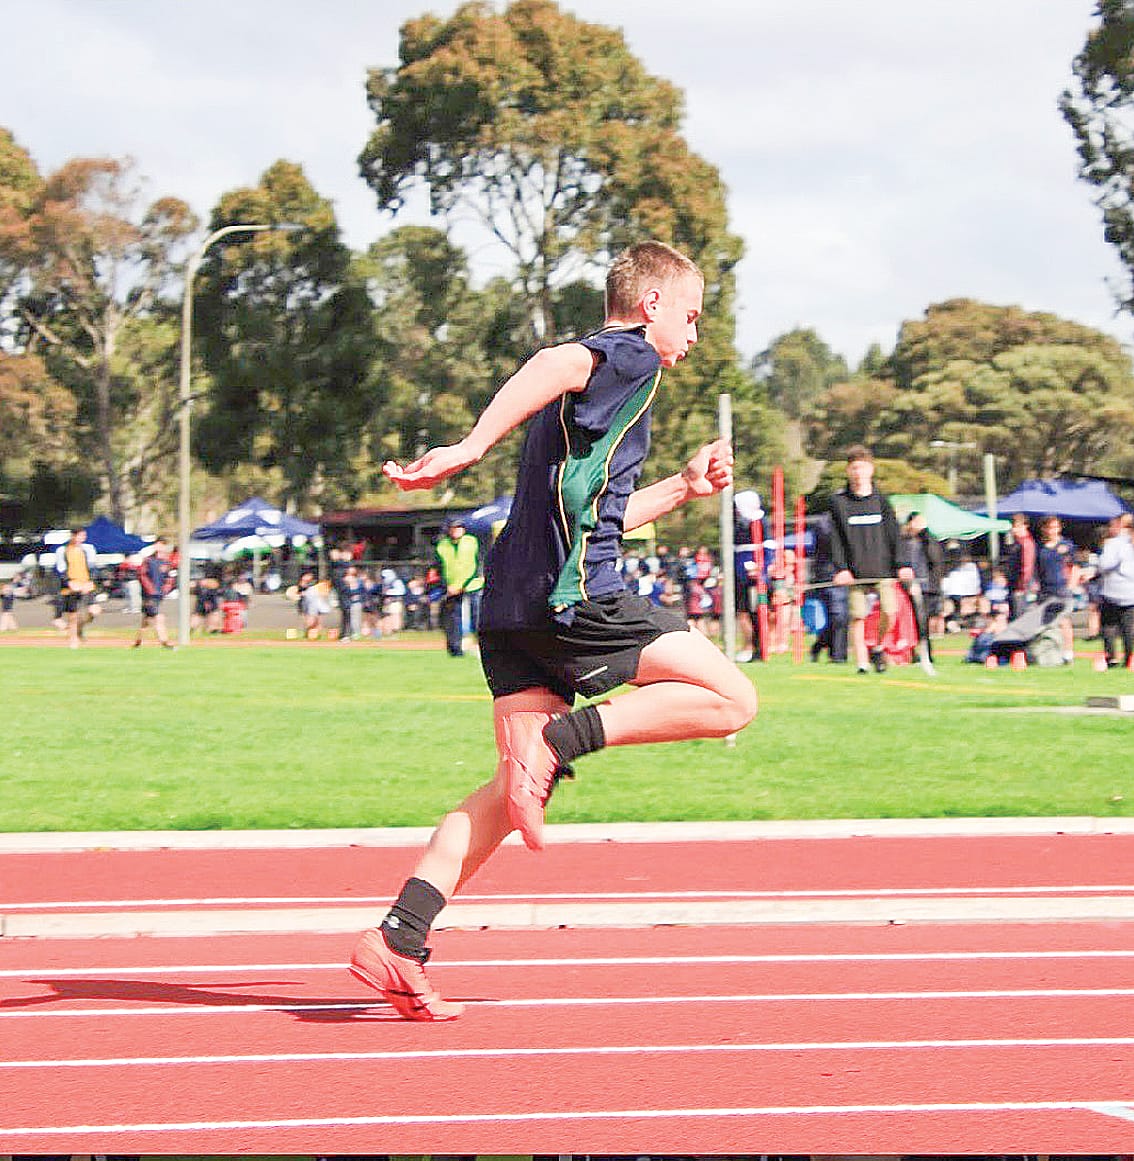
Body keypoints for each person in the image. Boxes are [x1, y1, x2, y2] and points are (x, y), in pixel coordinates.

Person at [349, 240, 757, 1021]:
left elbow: (598, 513)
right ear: (652, 306)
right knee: (733, 698)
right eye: (692, 316)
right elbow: (553, 360)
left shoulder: (599, 405)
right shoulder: (631, 355)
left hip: (510, 604)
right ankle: (562, 741)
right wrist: (469, 447)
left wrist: (682, 486)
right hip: (572, 599)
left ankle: (399, 935)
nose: (694, 335)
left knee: (511, 796)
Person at [827, 446, 912, 673]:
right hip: (854, 571)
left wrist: (903, 564)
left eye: (862, 467)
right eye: (854, 468)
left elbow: (894, 535)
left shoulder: (881, 501)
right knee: (858, 616)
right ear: (848, 470)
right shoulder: (838, 502)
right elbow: (835, 539)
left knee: (890, 611)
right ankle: (862, 663)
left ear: (871, 469)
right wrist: (841, 568)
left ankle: (878, 647)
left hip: (883, 569)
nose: (858, 473)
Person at [900, 511, 945, 676]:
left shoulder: (928, 541)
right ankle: (912, 652)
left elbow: (935, 558)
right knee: (912, 622)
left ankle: (926, 654)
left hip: (927, 587)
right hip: (910, 585)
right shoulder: (904, 542)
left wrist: (925, 533)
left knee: (923, 622)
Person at [1035, 513, 1079, 665]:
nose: (1052, 531)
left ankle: (1068, 653)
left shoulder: (1066, 546)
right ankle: (1049, 652)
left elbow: (1075, 567)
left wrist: (1071, 586)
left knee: (1064, 620)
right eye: (1049, 527)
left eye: (1055, 527)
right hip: (1045, 590)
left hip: (1061, 589)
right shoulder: (1039, 548)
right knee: (1045, 622)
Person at [435, 516, 481, 657]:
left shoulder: (471, 542)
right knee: (453, 619)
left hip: (471, 585)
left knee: (477, 617)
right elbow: (439, 567)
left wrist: (463, 585)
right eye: (454, 528)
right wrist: (446, 585)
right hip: (451, 587)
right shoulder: (442, 545)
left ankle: (483, 646)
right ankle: (455, 649)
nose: (457, 530)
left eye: (459, 527)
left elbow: (476, 565)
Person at [1097, 512, 1134, 668]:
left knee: (1109, 627)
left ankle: (1112, 657)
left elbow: (1104, 565)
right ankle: (1128, 659)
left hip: (1115, 591)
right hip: (1127, 592)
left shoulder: (1114, 544)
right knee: (1127, 628)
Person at [54, 527, 97, 649]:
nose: (82, 538)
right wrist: (69, 583)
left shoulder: (88, 549)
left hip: (86, 583)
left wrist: (90, 582)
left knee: (94, 611)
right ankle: (73, 640)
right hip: (72, 585)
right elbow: (61, 570)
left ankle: (79, 629)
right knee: (73, 615)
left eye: (83, 536)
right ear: (73, 536)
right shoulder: (63, 550)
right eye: (80, 536)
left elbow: (92, 568)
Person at [132, 536, 176, 648]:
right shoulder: (148, 560)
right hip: (149, 595)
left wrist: (166, 589)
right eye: (158, 544)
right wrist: (150, 589)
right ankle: (164, 641)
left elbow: (170, 578)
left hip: (159, 595)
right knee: (158, 617)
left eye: (162, 545)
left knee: (146, 619)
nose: (160, 547)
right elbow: (142, 575)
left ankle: (138, 641)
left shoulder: (167, 562)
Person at [1003, 513, 1037, 620]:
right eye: (1013, 526)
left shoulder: (1026, 543)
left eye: (1016, 526)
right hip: (1014, 583)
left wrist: (1021, 586)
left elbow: (1027, 566)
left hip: (1021, 585)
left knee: (1019, 616)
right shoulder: (1016, 542)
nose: (1013, 529)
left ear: (1025, 526)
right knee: (1013, 614)